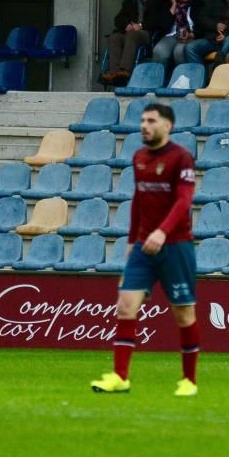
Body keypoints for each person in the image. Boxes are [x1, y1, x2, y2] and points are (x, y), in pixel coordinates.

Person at [91, 102, 200, 397]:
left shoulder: (181, 158)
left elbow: (184, 201)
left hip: (176, 246)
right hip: (142, 247)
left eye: (151, 120)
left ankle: (189, 380)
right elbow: (138, 200)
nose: (144, 125)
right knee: (125, 305)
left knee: (183, 314)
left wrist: (163, 233)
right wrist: (131, 241)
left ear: (168, 126)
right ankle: (119, 376)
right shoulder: (139, 157)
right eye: (142, 120)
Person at [102, 0, 169, 84]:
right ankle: (114, 73)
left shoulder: (161, 0)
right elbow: (118, 18)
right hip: (130, 31)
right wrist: (126, 25)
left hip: (149, 33)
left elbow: (160, 20)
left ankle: (125, 70)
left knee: (132, 35)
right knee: (115, 37)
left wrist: (141, 26)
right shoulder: (130, 1)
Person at [151, 0, 203, 68]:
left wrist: (191, 34)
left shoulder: (198, 4)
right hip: (172, 36)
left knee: (179, 51)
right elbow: (162, 26)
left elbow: (202, 25)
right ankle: (159, 79)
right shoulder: (167, 5)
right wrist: (173, 7)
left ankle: (182, 80)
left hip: (191, 36)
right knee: (159, 50)